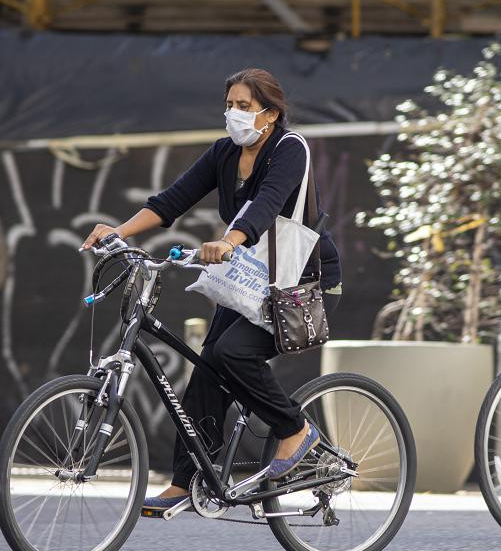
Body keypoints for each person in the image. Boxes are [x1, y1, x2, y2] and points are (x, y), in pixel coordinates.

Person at [82, 68, 343, 511]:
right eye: (229, 106)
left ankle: (295, 431)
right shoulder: (224, 153)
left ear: (271, 114)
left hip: (295, 280)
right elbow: (170, 202)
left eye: (244, 106)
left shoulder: (289, 148)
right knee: (207, 371)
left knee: (232, 354)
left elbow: (265, 206)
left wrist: (228, 240)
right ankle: (186, 482)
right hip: (249, 278)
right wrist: (119, 232)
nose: (233, 114)